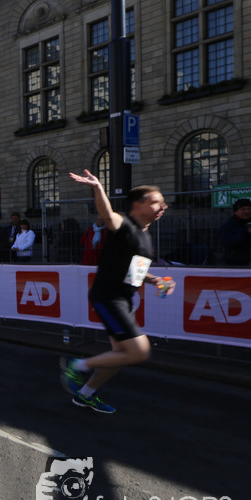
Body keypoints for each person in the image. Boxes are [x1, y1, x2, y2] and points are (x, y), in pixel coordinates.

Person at [61, 171, 175, 414]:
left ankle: (85, 395)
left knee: (122, 353)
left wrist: (156, 280)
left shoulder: (144, 237)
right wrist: (98, 188)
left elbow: (134, 275)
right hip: (108, 298)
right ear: (138, 206)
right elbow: (107, 215)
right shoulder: (124, 225)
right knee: (139, 351)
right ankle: (77, 365)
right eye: (156, 202)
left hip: (122, 300)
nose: (163, 206)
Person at [219, 198, 251, 266]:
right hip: (236, 265)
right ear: (236, 212)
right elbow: (228, 243)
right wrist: (246, 234)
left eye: (249, 209)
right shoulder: (228, 226)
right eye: (243, 209)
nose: (247, 211)